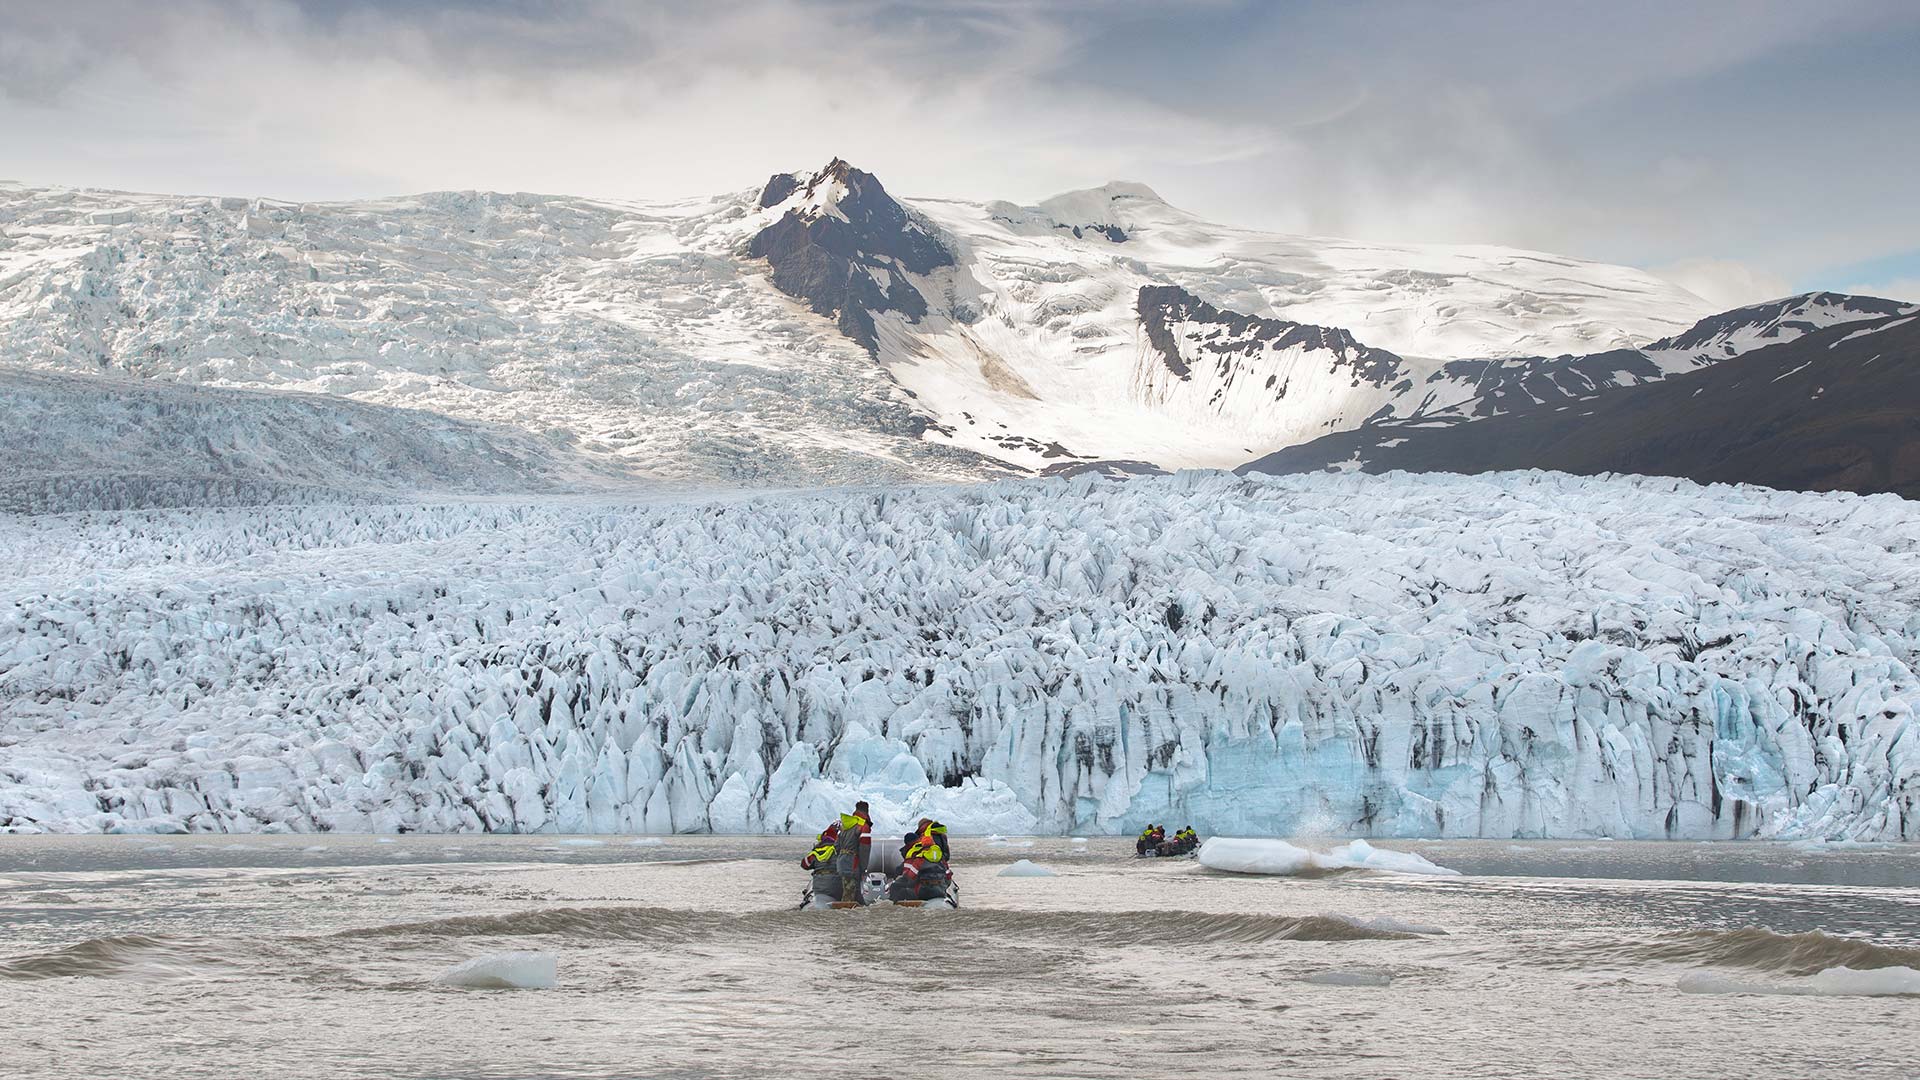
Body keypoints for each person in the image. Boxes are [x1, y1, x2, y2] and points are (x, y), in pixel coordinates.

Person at [804, 800, 873, 905]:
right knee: (849, 895)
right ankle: (848, 914)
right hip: (852, 864)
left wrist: (843, 858)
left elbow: (837, 846)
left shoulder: (847, 825)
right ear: (867, 812)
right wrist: (863, 868)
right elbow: (865, 850)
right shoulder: (863, 827)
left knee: (852, 891)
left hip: (842, 863)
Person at [888, 817, 952, 903]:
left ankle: (893, 906)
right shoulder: (941, 858)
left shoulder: (919, 859)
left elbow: (909, 878)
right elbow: (948, 877)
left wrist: (902, 884)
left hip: (924, 891)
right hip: (940, 891)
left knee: (899, 890)